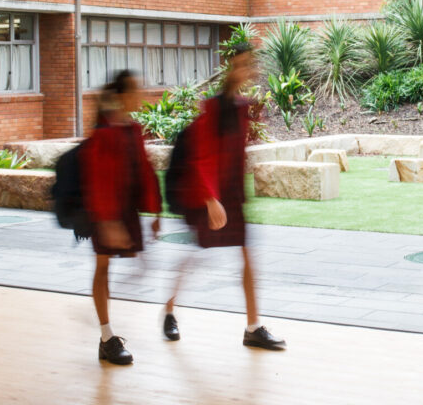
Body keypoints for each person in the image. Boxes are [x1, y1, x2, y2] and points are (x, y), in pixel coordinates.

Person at [164, 43, 286, 350]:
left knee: (246, 254)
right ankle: (169, 310)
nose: (246, 70)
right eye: (241, 64)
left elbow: (237, 150)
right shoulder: (213, 108)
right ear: (230, 68)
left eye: (249, 65)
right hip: (210, 195)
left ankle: (253, 327)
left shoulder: (241, 107)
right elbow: (200, 157)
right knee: (196, 254)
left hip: (231, 193)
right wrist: (209, 198)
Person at [81, 70, 162, 365]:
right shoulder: (104, 132)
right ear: (123, 95)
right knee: (103, 268)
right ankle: (106, 336)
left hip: (126, 210)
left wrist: (155, 211)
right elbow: (97, 180)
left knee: (140, 268)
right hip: (106, 213)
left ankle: (97, 318)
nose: (141, 93)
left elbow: (144, 170)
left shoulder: (132, 128)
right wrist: (108, 222)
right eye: (136, 89)